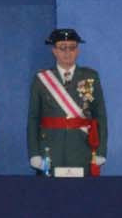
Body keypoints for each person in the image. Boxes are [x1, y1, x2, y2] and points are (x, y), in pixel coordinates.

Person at [27, 28, 107, 175]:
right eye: (62, 48)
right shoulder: (41, 79)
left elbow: (100, 116)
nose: (67, 52)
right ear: (54, 51)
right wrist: (34, 153)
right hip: (50, 150)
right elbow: (33, 119)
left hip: (82, 149)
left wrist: (101, 152)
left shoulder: (91, 77)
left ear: (78, 51)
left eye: (72, 47)